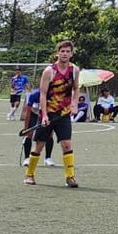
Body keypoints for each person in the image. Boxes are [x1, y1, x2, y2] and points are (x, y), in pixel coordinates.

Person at [23, 41, 81, 188]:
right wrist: (44, 115)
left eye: (68, 51)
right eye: (62, 51)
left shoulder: (74, 70)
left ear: (71, 54)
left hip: (64, 114)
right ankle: (29, 175)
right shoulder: (49, 71)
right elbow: (42, 94)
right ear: (58, 53)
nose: (65, 54)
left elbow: (76, 89)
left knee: (67, 144)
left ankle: (70, 177)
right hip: (48, 113)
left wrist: (74, 104)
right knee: (39, 145)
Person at [18, 88, 52, 180]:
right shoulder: (34, 95)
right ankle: (26, 158)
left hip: (46, 115)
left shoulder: (52, 93)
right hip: (34, 114)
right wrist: (26, 128)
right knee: (29, 134)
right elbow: (28, 111)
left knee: (49, 135)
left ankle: (48, 158)